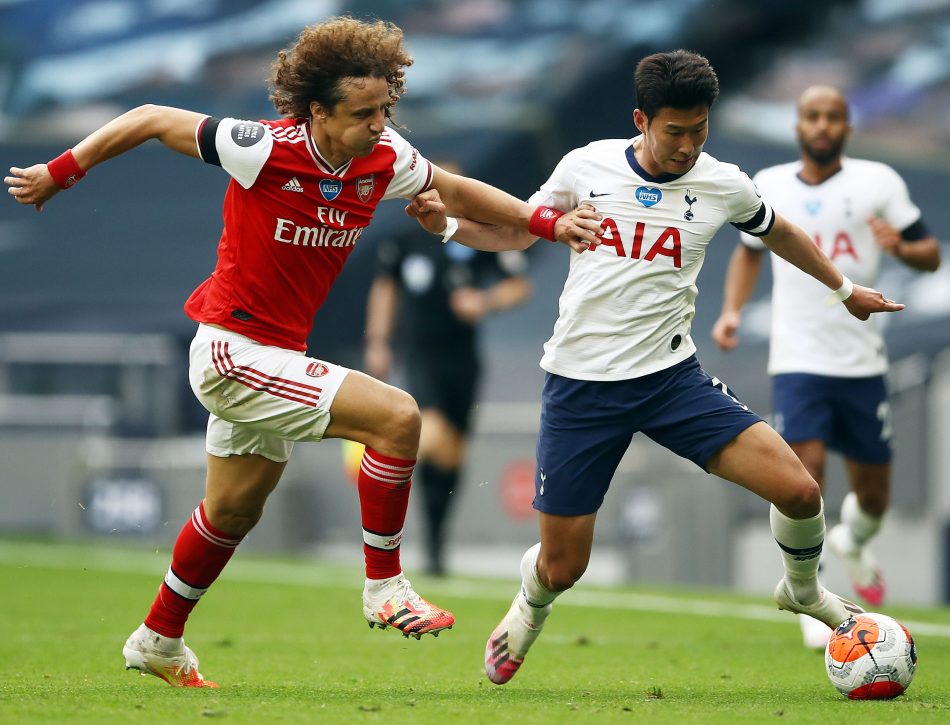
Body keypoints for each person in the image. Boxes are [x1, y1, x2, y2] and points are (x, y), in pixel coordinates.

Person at [4, 16, 600, 688]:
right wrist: (60, 171)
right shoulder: (262, 147)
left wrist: (545, 220)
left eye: (386, 109)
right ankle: (385, 584)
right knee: (400, 417)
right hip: (232, 350)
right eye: (362, 113)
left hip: (277, 352)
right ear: (318, 110)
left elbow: (458, 191)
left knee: (232, 511)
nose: (379, 125)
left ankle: (157, 637)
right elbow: (146, 116)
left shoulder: (386, 157)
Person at [409, 49, 904, 686]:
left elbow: (779, 233)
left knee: (802, 491)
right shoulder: (584, 166)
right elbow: (517, 233)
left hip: (673, 382)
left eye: (700, 130)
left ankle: (805, 594)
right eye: (674, 132)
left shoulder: (723, 183)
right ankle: (530, 605)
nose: (687, 146)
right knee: (563, 567)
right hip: (581, 387)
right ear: (641, 119)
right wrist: (447, 225)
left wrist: (843, 289)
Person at [711, 85, 941, 648]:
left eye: (832, 117)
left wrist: (902, 248)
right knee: (805, 479)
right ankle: (814, 597)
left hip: (862, 361)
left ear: (846, 127)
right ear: (798, 126)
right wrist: (732, 313)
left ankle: (854, 541)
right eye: (812, 116)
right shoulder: (770, 184)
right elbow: (747, 254)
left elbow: (929, 253)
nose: (821, 125)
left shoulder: (878, 182)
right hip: (798, 359)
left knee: (875, 498)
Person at [364, 166, 533, 576]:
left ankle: (436, 545)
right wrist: (378, 341)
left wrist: (485, 301)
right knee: (434, 437)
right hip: (420, 356)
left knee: (454, 452)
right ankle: (408, 541)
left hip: (464, 360)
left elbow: (518, 285)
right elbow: (385, 288)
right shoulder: (404, 241)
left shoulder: (473, 236)